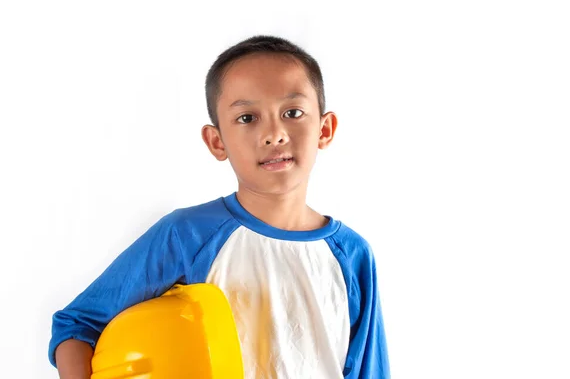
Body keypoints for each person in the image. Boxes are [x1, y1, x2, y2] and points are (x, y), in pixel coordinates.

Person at [49, 35, 390, 379]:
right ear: (217, 141)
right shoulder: (187, 235)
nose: (274, 134)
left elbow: (369, 370)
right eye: (247, 118)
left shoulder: (352, 255)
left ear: (325, 129)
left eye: (293, 112)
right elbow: (77, 325)